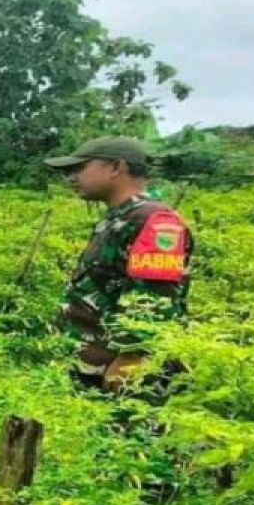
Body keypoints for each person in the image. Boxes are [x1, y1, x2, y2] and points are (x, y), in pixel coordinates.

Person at [45, 137, 194, 393]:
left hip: (118, 371)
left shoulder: (154, 220)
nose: (71, 177)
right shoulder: (119, 216)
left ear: (116, 168)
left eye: (79, 168)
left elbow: (153, 297)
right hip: (92, 360)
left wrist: (131, 358)